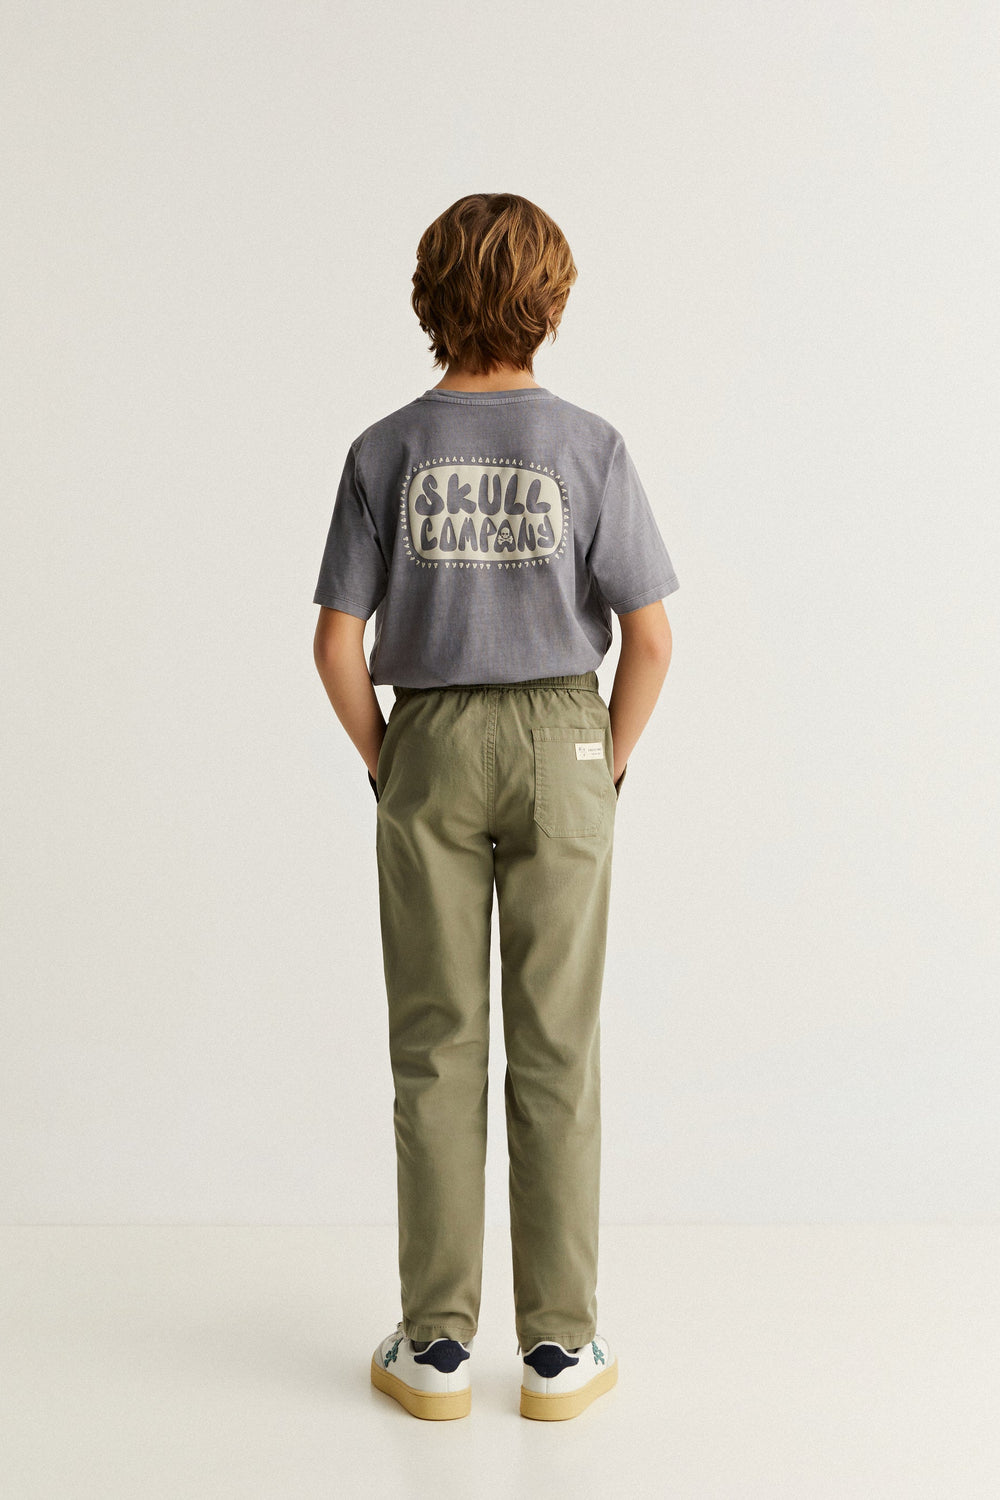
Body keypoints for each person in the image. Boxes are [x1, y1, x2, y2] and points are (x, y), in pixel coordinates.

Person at [312, 193, 679, 1422]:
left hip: (428, 737)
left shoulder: (384, 450)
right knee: (557, 1047)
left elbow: (336, 644)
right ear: (550, 301)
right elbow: (650, 638)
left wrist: (391, 761)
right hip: (564, 736)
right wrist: (601, 768)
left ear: (429, 298)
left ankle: (434, 1346)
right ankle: (559, 1351)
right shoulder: (589, 445)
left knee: (435, 1047)